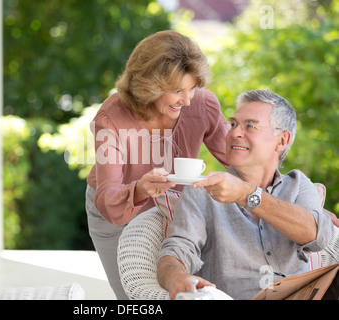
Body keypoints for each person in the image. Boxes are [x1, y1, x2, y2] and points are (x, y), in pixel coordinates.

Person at [85, 30, 229, 299]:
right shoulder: (112, 118)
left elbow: (242, 161)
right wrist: (140, 189)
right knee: (136, 298)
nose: (187, 100)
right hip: (117, 214)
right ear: (148, 87)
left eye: (193, 87)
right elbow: (108, 198)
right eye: (177, 91)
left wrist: (297, 202)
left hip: (175, 210)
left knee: (186, 292)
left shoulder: (202, 104)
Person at [156, 89, 334, 300]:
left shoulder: (298, 185)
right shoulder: (202, 191)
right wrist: (177, 279)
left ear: (282, 140)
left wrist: (247, 194)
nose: (234, 133)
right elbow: (176, 251)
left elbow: (316, 236)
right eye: (232, 124)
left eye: (250, 126)